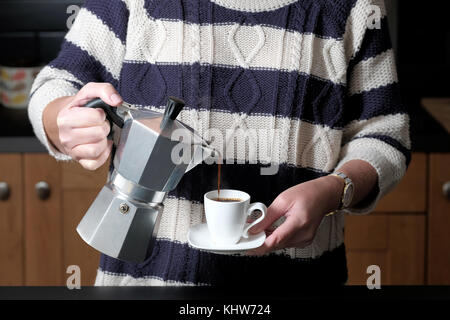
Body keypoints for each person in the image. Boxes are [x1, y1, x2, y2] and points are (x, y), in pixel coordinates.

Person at [28, 0, 409, 286]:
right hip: (146, 283)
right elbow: (57, 86)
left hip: (300, 281)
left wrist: (335, 189)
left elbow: (384, 132)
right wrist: (64, 118)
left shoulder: (354, 9)